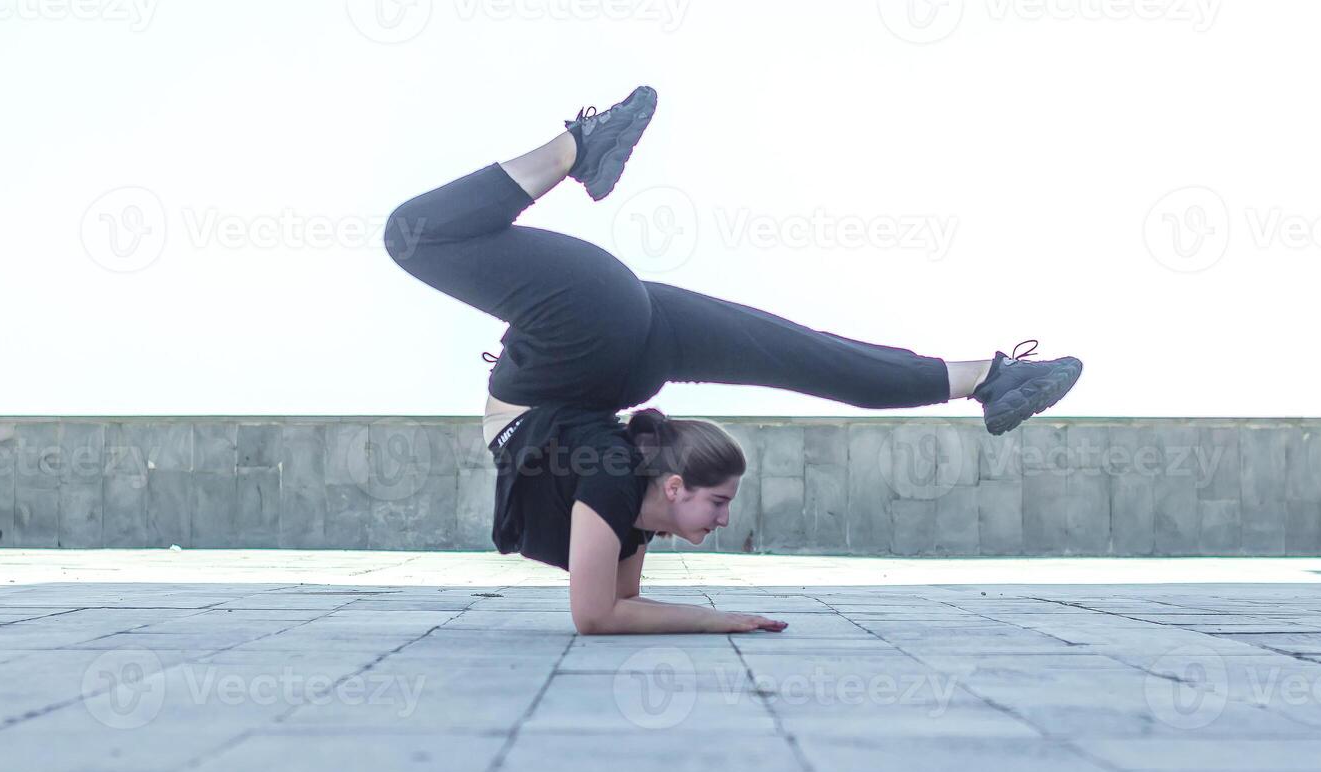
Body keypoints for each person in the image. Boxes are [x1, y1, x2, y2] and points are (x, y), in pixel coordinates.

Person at [383, 85, 1082, 635]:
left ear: (676, 485)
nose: (723, 521)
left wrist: (716, 621)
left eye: (717, 503)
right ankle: (988, 380)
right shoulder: (626, 494)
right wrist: (708, 616)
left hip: (587, 335)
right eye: (723, 503)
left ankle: (580, 143)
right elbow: (621, 602)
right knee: (812, 359)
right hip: (622, 348)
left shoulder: (612, 483)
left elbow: (599, 615)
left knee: (412, 237)